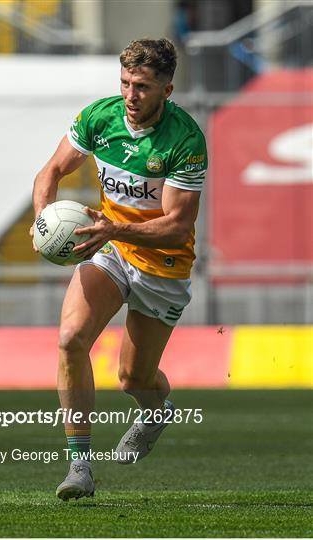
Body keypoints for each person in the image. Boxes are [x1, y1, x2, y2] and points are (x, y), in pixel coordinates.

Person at [30, 38, 207, 501]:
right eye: (126, 83)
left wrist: (114, 230)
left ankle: (156, 410)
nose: (131, 95)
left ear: (167, 90)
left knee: (133, 380)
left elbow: (176, 226)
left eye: (143, 87)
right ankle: (80, 467)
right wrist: (43, 220)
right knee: (70, 339)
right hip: (107, 248)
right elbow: (49, 172)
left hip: (162, 266)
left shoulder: (185, 140)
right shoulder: (100, 117)